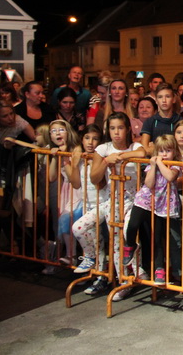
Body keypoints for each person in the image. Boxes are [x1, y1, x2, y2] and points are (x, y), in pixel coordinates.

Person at [90, 112, 146, 301]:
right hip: (112, 199)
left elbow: (142, 153)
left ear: (128, 129)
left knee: (129, 232)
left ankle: (138, 270)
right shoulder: (102, 148)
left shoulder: (134, 146)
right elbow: (94, 177)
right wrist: (106, 161)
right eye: (112, 128)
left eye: (120, 128)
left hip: (134, 198)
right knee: (115, 241)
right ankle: (123, 280)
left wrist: (119, 156)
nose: (116, 132)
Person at [123, 135, 181, 286]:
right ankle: (130, 245)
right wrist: (154, 166)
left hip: (162, 204)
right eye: (161, 151)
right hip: (145, 199)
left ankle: (159, 269)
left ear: (174, 152)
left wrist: (160, 163)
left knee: (157, 236)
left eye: (168, 151)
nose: (164, 154)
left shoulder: (175, 165)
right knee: (133, 224)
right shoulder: (152, 165)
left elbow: (170, 177)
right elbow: (149, 183)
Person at [69, 125, 111, 294]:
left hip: (103, 203)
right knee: (96, 241)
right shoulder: (81, 158)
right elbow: (76, 184)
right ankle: (99, 276)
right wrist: (74, 164)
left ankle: (90, 258)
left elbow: (100, 183)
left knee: (78, 228)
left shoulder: (101, 158)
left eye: (95, 139)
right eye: (87, 138)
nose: (90, 142)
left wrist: (97, 163)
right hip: (88, 204)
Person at [46, 120, 82, 266]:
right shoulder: (57, 150)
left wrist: (65, 156)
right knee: (65, 221)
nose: (58, 133)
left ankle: (77, 256)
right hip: (66, 190)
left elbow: (73, 176)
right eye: (54, 131)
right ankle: (70, 255)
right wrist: (56, 157)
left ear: (68, 132)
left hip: (79, 189)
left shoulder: (76, 148)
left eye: (61, 130)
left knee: (70, 220)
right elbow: (51, 177)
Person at [140, 83, 181, 156]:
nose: (164, 100)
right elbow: (145, 149)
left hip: (175, 162)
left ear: (174, 99)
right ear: (156, 100)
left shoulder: (180, 121)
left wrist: (154, 148)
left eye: (167, 96)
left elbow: (182, 149)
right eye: (160, 97)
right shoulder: (149, 122)